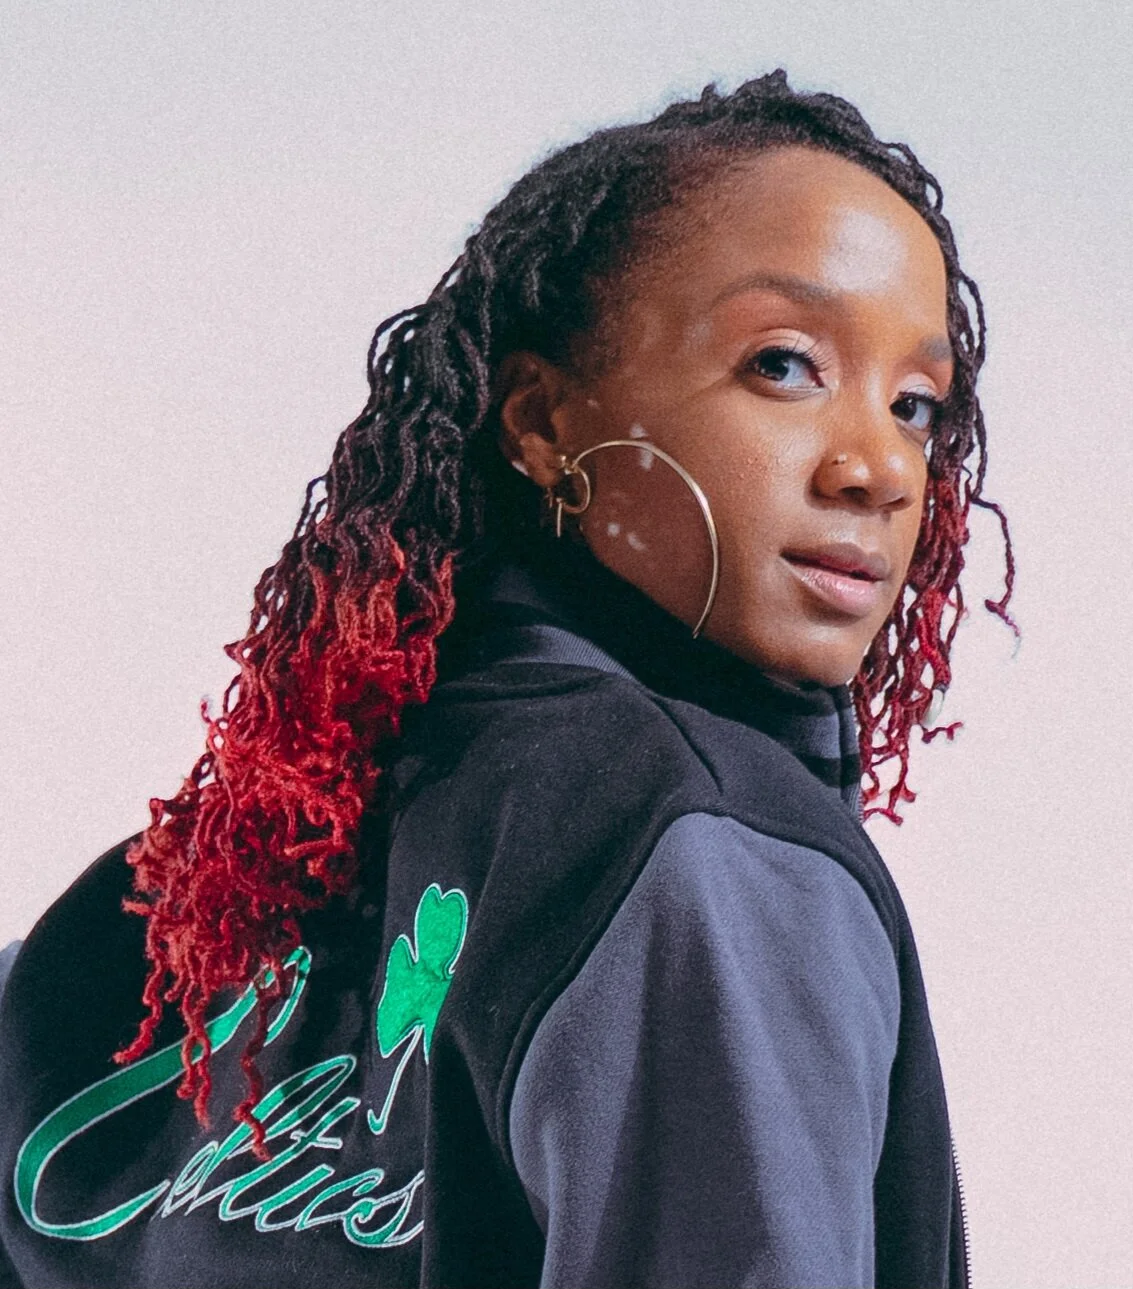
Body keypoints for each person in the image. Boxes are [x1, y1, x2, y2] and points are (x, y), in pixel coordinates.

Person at [0, 70, 1013, 1288]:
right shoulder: (692, 845)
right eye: (783, 364)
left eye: (914, 404)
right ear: (538, 418)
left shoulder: (148, 900)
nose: (878, 468)